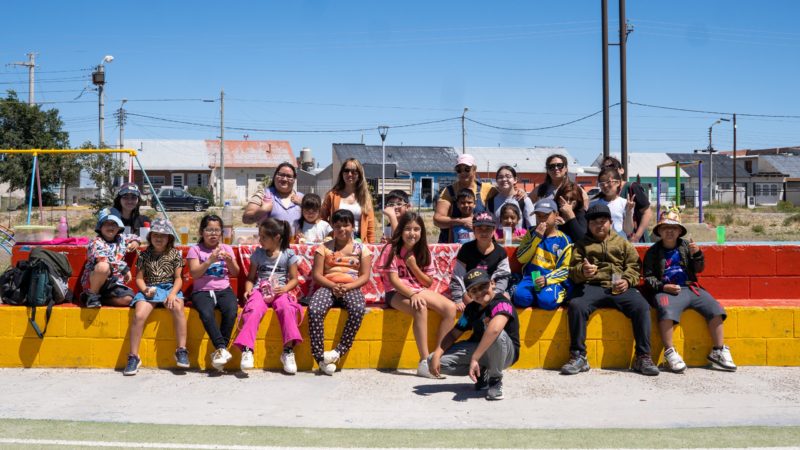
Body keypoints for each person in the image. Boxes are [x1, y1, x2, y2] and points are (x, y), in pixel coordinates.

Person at [561, 204, 659, 376]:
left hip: (619, 287)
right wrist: (582, 272)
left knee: (641, 306)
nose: (599, 226)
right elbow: (572, 270)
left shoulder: (622, 243)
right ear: (588, 225)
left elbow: (634, 266)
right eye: (594, 223)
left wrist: (627, 281)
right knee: (576, 306)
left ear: (610, 223)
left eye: (603, 221)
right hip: (591, 286)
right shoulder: (581, 245)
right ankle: (578, 356)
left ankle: (643, 357)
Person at [643, 209, 736, 372]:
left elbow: (698, 269)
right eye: (665, 228)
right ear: (659, 231)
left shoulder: (687, 246)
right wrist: (663, 287)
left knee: (714, 308)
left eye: (673, 228)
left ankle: (718, 350)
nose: (669, 231)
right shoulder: (653, 252)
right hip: (666, 290)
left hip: (690, 287)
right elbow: (648, 277)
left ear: (680, 231)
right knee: (665, 309)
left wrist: (698, 255)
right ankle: (670, 351)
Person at [379, 212, 456, 378]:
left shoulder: (423, 250)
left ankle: (437, 357)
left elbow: (428, 282)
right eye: (407, 229)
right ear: (401, 230)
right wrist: (412, 295)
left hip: (419, 289)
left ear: (422, 232)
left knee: (450, 308)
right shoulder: (391, 249)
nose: (412, 233)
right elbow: (393, 281)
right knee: (420, 307)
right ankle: (424, 362)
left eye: (416, 229)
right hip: (396, 293)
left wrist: (413, 266)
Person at [429, 268, 520, 401]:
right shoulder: (471, 309)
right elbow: (454, 333)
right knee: (432, 361)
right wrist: (437, 353)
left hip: (506, 353)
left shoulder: (502, 303)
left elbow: (495, 330)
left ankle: (495, 380)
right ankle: (483, 372)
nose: (480, 292)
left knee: (493, 331)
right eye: (474, 290)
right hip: (481, 351)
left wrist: (474, 358)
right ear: (469, 294)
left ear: (492, 283)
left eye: (483, 286)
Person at [234, 218, 303, 374]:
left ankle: (288, 351)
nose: (260, 240)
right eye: (260, 236)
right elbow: (251, 278)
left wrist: (285, 289)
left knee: (287, 308)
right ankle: (247, 350)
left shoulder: (288, 254)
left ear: (277, 237)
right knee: (253, 309)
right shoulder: (258, 254)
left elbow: (294, 279)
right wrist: (248, 290)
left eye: (264, 237)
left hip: (279, 290)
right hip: (260, 290)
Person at [308, 209, 372, 375]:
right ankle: (320, 358)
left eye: (346, 225)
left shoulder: (361, 249)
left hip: (351, 286)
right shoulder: (323, 248)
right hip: (328, 285)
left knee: (358, 309)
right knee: (314, 310)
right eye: (337, 226)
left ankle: (338, 351)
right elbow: (316, 274)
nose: (342, 229)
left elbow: (365, 275)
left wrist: (348, 287)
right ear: (332, 228)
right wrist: (332, 286)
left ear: (353, 226)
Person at [124, 219, 186, 376]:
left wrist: (172, 294)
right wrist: (145, 290)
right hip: (150, 289)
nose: (159, 238)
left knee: (178, 307)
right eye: (156, 235)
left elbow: (179, 278)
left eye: (163, 235)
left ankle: (181, 349)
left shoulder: (175, 254)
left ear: (169, 238)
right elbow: (139, 278)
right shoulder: (144, 255)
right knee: (139, 315)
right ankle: (133, 356)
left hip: (169, 288)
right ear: (150, 236)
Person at [187, 214, 240, 371]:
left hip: (224, 289)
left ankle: (220, 351)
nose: (213, 234)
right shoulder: (195, 250)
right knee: (206, 313)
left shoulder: (227, 248)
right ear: (202, 232)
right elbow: (195, 274)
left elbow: (236, 273)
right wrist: (210, 260)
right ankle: (222, 348)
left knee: (231, 311)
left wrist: (229, 260)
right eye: (209, 230)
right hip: (202, 291)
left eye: (217, 230)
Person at [513, 199, 573, 310]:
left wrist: (547, 279)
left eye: (545, 215)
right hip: (530, 278)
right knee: (520, 298)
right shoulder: (531, 233)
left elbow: (566, 269)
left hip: (551, 280)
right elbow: (521, 258)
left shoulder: (564, 239)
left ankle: (563, 294)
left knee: (547, 302)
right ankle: (537, 297)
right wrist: (536, 238)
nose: (541, 219)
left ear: (556, 215)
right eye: (538, 216)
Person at [449, 211, 511, 312]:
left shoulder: (501, 252)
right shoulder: (466, 249)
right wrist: (459, 298)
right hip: (471, 292)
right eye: (479, 228)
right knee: (472, 308)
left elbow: (503, 277)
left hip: (491, 291)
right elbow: (457, 277)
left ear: (494, 230)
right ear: (473, 230)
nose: (484, 232)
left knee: (505, 300)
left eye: (488, 228)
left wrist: (493, 296)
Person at [80, 208, 140, 308]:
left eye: (114, 224)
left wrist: (135, 242)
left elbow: (136, 237)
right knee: (103, 266)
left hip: (114, 282)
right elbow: (103, 258)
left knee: (128, 299)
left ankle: (100, 298)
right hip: (95, 281)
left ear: (118, 227)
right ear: (100, 227)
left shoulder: (121, 238)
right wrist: (124, 268)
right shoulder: (95, 242)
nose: (110, 227)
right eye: (106, 224)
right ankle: (92, 295)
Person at [434, 153, 494, 243]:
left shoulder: (486, 188)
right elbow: (437, 220)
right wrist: (463, 221)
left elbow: (506, 195)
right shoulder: (449, 191)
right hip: (450, 246)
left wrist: (518, 191)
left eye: (467, 169)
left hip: (478, 246)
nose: (463, 173)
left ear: (474, 169)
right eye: (459, 170)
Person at [321, 158, 376, 243]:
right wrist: (330, 234)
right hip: (337, 238)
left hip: (359, 240)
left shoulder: (365, 197)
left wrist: (371, 245)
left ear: (359, 174)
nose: (350, 174)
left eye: (354, 171)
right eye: (346, 170)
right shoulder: (332, 195)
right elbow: (322, 218)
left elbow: (370, 227)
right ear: (342, 173)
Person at [600, 156, 653, 243]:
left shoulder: (632, 187)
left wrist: (637, 236)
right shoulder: (604, 193)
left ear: (621, 170)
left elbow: (647, 213)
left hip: (635, 241)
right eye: (604, 168)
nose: (609, 170)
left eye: (611, 167)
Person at [242, 162, 304, 234]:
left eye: (289, 176)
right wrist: (263, 210)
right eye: (281, 175)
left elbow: (317, 218)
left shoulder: (302, 198)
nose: (284, 179)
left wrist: (304, 204)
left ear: (294, 179)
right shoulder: (263, 194)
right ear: (275, 176)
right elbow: (245, 219)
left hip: (295, 244)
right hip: (269, 244)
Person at [589, 168, 634, 240]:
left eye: (609, 182)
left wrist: (629, 212)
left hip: (619, 244)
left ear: (618, 183)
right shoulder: (593, 205)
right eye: (602, 183)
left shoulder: (625, 203)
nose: (605, 185)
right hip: (598, 245)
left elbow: (628, 231)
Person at [487, 165, 534, 229]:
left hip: (521, 239)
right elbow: (489, 228)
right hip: (499, 239)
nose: (504, 179)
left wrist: (523, 239)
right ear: (496, 181)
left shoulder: (524, 200)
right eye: (500, 177)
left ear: (515, 180)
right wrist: (499, 239)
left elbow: (532, 227)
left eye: (508, 177)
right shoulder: (491, 202)